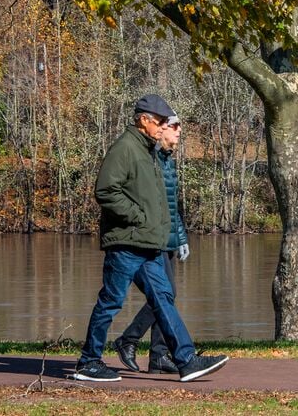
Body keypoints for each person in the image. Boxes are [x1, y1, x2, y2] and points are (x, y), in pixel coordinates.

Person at [72, 94, 229, 383]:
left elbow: (161, 199)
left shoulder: (149, 151)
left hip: (148, 244)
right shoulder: (125, 148)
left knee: (164, 299)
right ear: (144, 120)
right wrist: (138, 216)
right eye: (159, 122)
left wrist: (168, 231)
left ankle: (186, 360)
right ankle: (89, 362)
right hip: (126, 243)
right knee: (111, 301)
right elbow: (106, 190)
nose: (162, 126)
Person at [111, 112, 189, 375]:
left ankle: (157, 355)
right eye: (174, 126)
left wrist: (180, 237)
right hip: (148, 236)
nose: (179, 131)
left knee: (166, 294)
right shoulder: (150, 157)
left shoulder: (168, 160)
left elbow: (171, 204)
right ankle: (129, 340)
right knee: (165, 294)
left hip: (166, 236)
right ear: (162, 128)